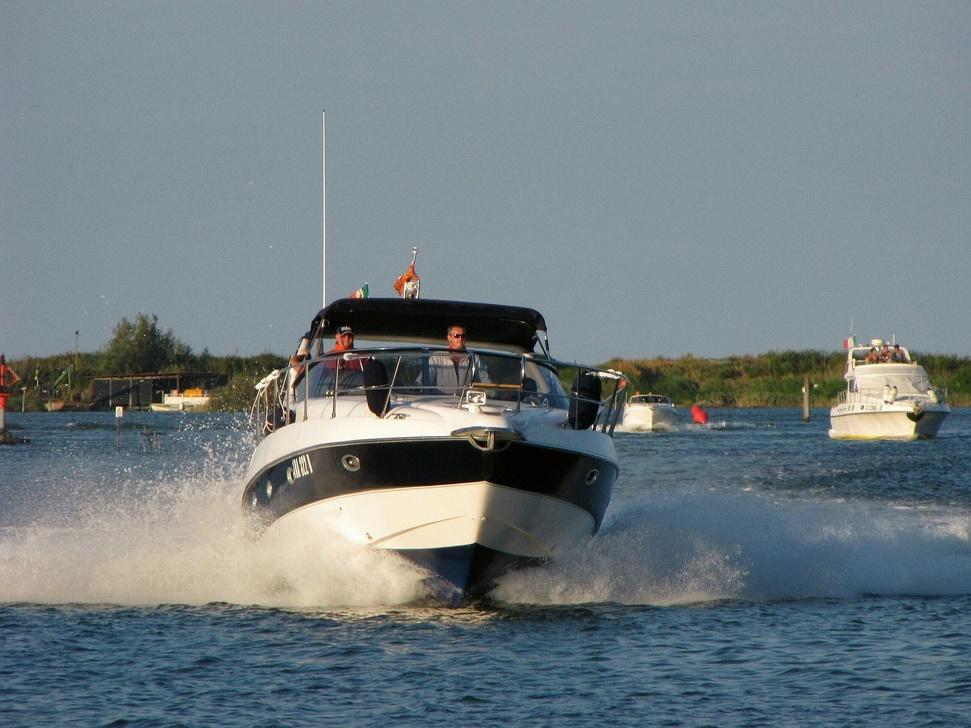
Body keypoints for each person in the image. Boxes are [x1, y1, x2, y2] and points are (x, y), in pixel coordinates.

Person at [424, 324, 491, 392]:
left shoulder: (475, 359)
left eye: (463, 336)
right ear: (449, 338)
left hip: (466, 401)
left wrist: (494, 395)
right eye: (457, 336)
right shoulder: (437, 357)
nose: (460, 339)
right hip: (442, 401)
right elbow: (424, 380)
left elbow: (486, 382)